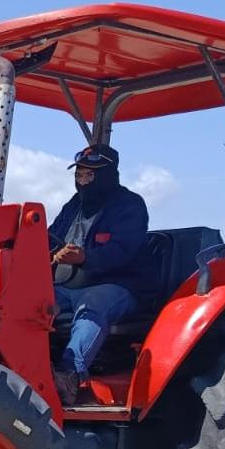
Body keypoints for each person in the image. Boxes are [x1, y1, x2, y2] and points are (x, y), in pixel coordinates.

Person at [48, 143, 150, 403]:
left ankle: (69, 374)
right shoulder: (73, 206)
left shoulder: (131, 206)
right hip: (67, 285)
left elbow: (123, 251)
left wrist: (85, 257)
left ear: (107, 175)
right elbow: (50, 238)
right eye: (79, 176)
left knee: (91, 305)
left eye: (90, 176)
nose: (83, 182)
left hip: (116, 285)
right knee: (30, 302)